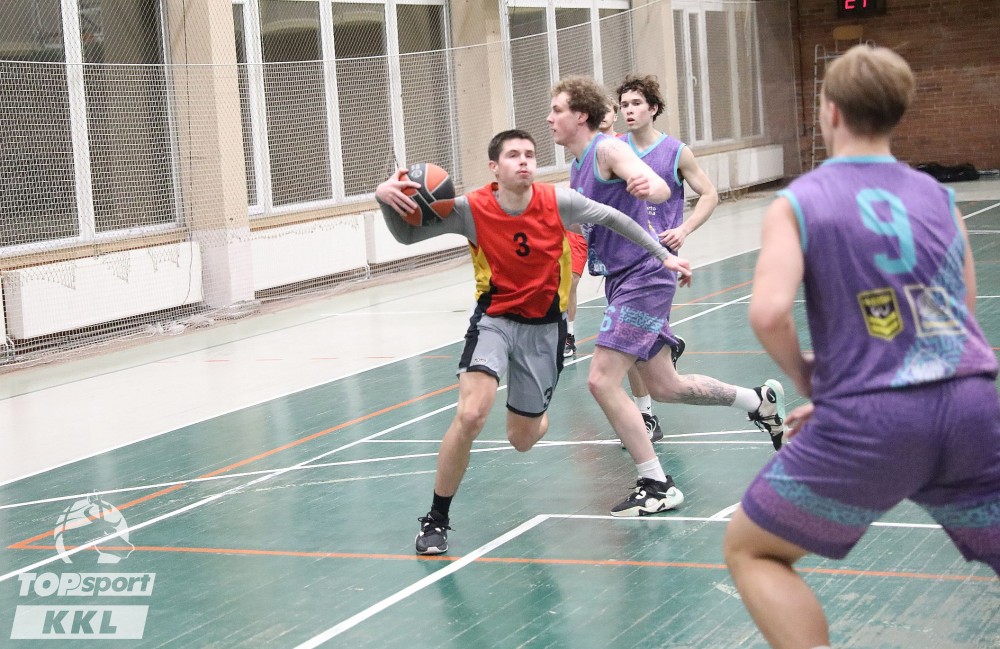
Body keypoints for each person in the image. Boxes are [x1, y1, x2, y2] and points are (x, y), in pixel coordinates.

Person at [723, 45, 1000, 649]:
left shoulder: (799, 201)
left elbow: (768, 312)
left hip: (872, 422)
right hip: (972, 406)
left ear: (830, 112)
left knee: (752, 550)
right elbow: (962, 313)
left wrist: (817, 382)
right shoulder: (941, 198)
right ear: (898, 113)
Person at [375, 129, 692, 554]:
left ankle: (537, 416)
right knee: (471, 413)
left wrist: (665, 255)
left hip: (545, 331)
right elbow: (408, 236)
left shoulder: (559, 202)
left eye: (529, 154)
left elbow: (617, 219)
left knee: (522, 439)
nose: (523, 160)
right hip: (494, 321)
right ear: (494, 167)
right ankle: (436, 518)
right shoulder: (471, 209)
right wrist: (383, 198)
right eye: (513, 155)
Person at [548, 76, 785, 517]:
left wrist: (650, 186)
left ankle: (656, 483)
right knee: (665, 386)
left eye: (557, 109)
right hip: (621, 278)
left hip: (644, 276)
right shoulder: (578, 166)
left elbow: (654, 185)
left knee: (601, 380)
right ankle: (757, 401)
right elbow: (585, 221)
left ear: (580, 116)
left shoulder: (608, 150)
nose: (549, 118)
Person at [564, 97, 619, 360]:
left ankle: (623, 327)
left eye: (609, 111)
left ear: (615, 116)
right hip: (582, 226)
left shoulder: (623, 148)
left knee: (618, 281)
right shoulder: (582, 154)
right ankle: (568, 335)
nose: (604, 115)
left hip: (612, 228)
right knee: (569, 280)